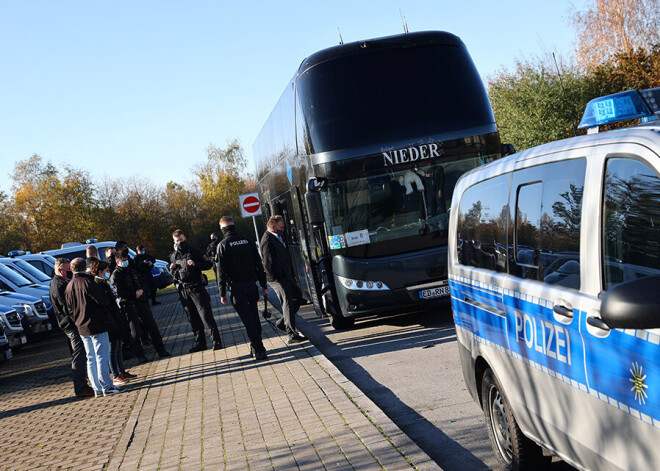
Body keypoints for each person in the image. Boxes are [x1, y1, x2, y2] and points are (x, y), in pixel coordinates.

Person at [64, 258, 122, 397]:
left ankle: (97, 387)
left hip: (81, 326)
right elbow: (102, 300)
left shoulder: (69, 285)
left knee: (91, 358)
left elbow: (69, 308)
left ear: (72, 269)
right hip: (96, 323)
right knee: (102, 356)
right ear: (85, 268)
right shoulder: (88, 282)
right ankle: (106, 386)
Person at [217, 216, 269, 360]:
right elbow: (259, 264)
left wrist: (222, 293)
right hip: (251, 285)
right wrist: (264, 285)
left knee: (248, 320)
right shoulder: (247, 240)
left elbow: (221, 272)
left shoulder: (222, 245)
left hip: (236, 288)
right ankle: (256, 345)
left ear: (222, 229)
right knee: (254, 317)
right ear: (234, 225)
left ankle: (259, 349)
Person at [110, 249, 171, 360]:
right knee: (135, 332)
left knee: (152, 327)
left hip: (141, 302)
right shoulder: (116, 275)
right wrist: (134, 294)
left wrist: (142, 292)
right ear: (118, 261)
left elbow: (142, 281)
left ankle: (161, 350)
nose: (126, 262)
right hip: (128, 305)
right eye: (123, 260)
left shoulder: (132, 270)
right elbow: (119, 293)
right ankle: (140, 356)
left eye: (126, 260)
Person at [170, 229, 222, 352]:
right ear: (174, 242)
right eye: (177, 241)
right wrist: (172, 269)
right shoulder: (173, 256)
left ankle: (216, 341)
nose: (179, 243)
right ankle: (200, 343)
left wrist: (195, 264)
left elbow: (208, 264)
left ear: (185, 239)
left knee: (206, 316)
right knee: (192, 318)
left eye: (181, 240)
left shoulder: (194, 251)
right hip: (183, 290)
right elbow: (174, 274)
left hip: (196, 288)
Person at [49, 258, 94, 398]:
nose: (70, 273)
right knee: (79, 354)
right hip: (70, 325)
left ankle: (83, 384)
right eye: (68, 270)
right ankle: (80, 388)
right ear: (61, 270)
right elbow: (67, 307)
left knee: (80, 353)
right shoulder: (59, 285)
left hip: (69, 323)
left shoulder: (60, 282)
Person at [260, 215, 306, 345]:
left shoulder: (277, 237)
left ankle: (282, 323)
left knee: (297, 296)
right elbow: (268, 262)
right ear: (273, 227)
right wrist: (277, 278)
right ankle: (291, 334)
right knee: (287, 302)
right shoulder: (267, 240)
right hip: (278, 279)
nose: (283, 229)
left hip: (286, 276)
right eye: (281, 227)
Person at [90, 260, 136, 385]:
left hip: (117, 316)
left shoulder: (106, 283)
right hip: (110, 319)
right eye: (106, 270)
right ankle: (115, 374)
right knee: (113, 348)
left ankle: (122, 371)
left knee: (119, 346)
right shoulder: (98, 285)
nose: (108, 273)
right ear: (100, 272)